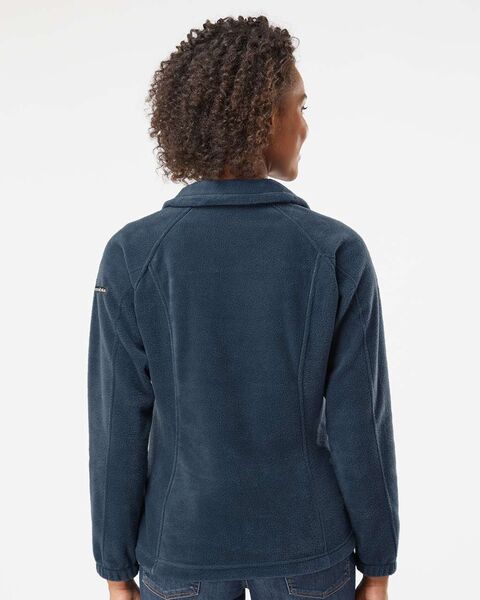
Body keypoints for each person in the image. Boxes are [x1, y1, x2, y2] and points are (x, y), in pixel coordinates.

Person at [87, 15, 400, 600]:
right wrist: (379, 563)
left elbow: (116, 428)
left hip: (180, 548)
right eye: (300, 106)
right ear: (265, 116)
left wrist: (115, 568)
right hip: (309, 547)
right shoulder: (334, 252)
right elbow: (361, 424)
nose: (305, 125)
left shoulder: (133, 255)